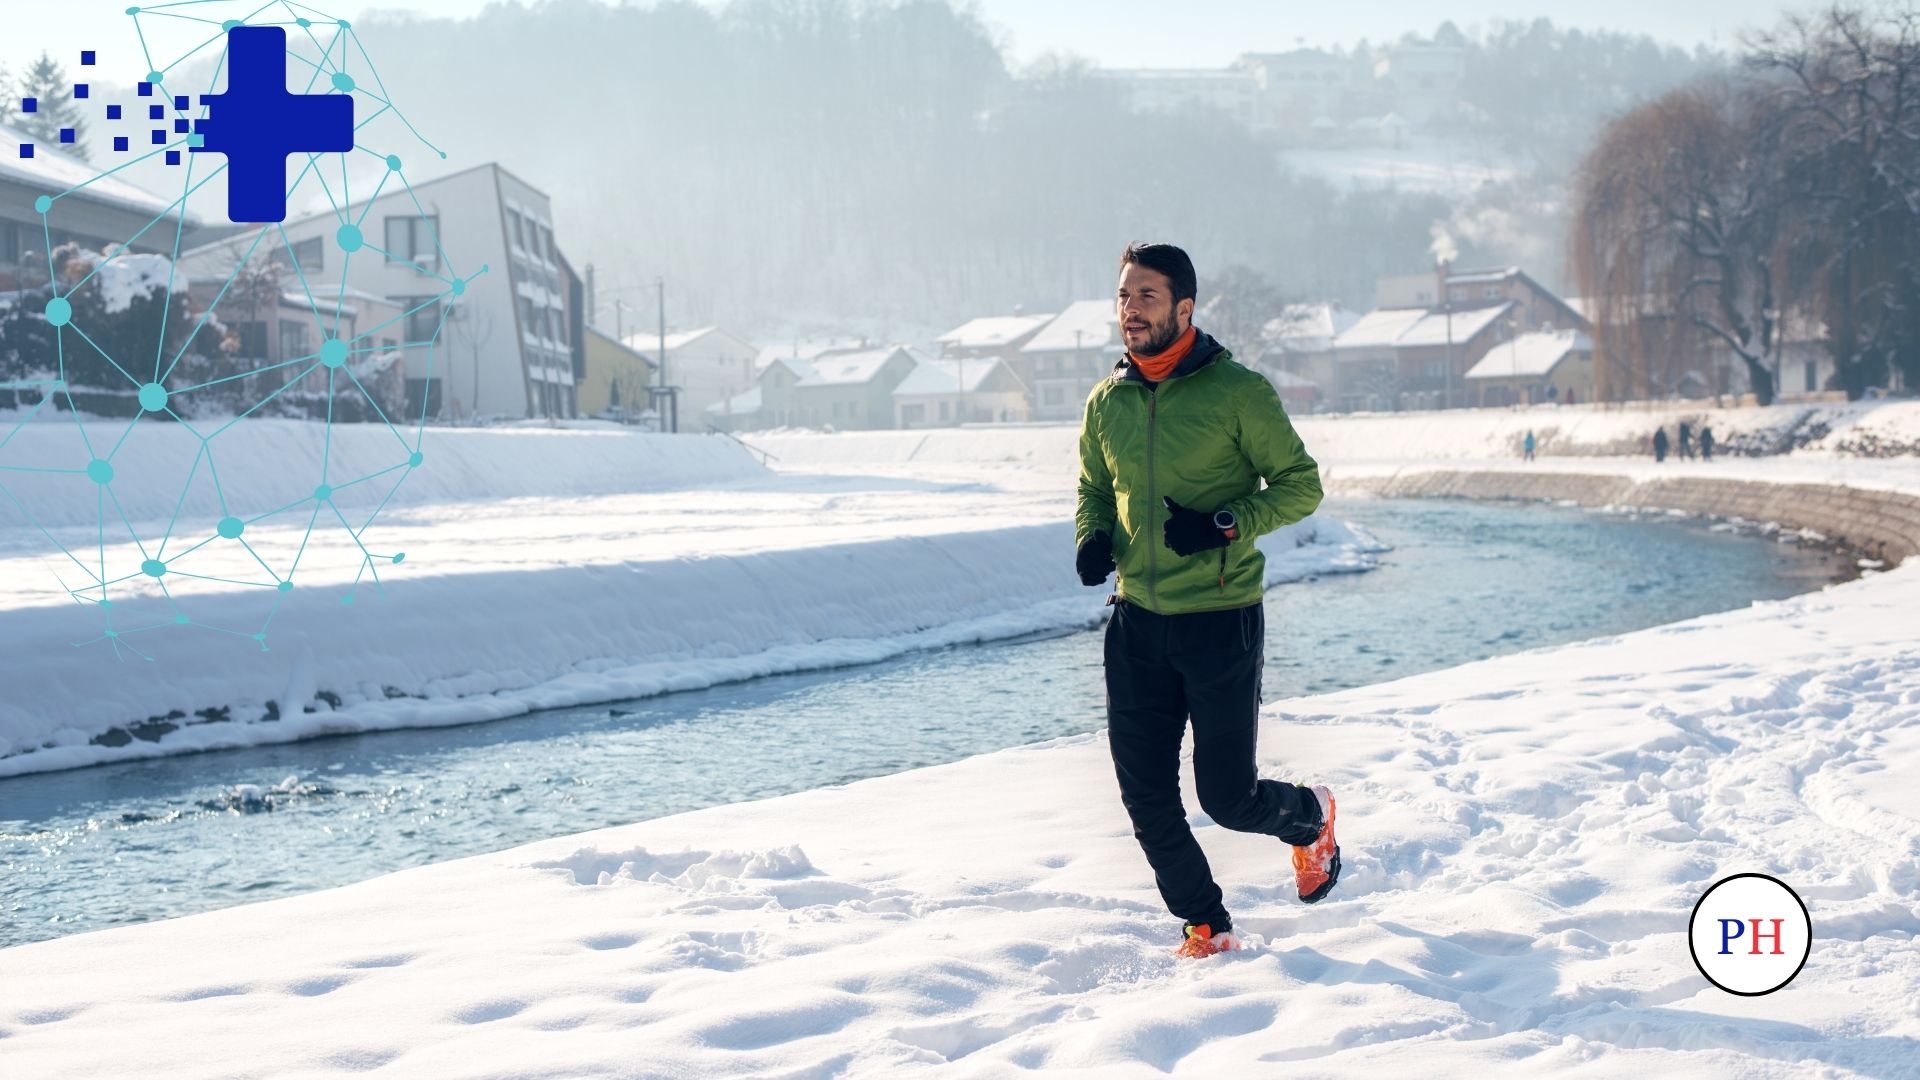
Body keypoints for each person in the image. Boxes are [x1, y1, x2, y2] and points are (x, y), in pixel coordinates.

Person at [1074, 243, 1337, 961]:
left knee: (1227, 797)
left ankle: (1310, 819)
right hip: (1135, 627)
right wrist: (1093, 536)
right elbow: (1096, 487)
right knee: (1147, 800)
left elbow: (1300, 485)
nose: (1130, 310)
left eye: (1146, 297)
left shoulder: (1238, 393)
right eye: (1124, 296)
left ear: (1184, 309)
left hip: (1220, 621)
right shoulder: (1108, 400)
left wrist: (1226, 523)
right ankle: (1206, 924)